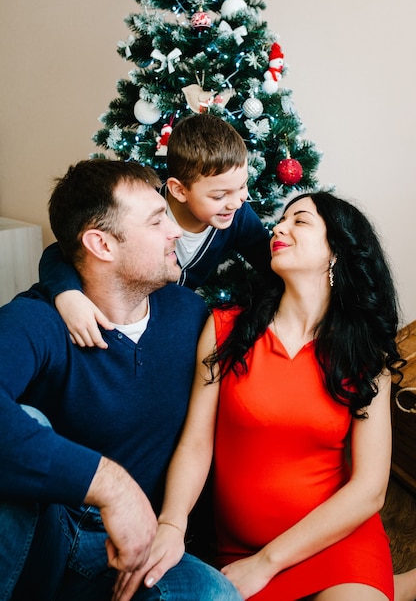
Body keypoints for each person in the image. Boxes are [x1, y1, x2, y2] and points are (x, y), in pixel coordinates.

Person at [117, 191, 406, 601]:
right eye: (281, 220)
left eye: (300, 221)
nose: (279, 227)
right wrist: (171, 525)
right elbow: (197, 444)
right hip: (239, 550)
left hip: (336, 544)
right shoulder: (225, 329)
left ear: (336, 252)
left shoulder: (365, 353)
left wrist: (268, 562)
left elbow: (369, 489)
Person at [0, 159, 242, 601]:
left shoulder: (189, 315)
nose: (175, 231)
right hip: (44, 531)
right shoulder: (38, 319)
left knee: (215, 595)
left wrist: (169, 521)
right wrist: (111, 486)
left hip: (136, 548)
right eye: (156, 221)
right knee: (24, 421)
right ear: (102, 245)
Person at [38, 113, 272, 348]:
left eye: (242, 186)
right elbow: (63, 251)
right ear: (179, 190)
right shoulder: (145, 206)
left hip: (173, 323)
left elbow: (271, 262)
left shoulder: (238, 217)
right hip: (126, 321)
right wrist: (66, 294)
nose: (237, 202)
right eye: (219, 195)